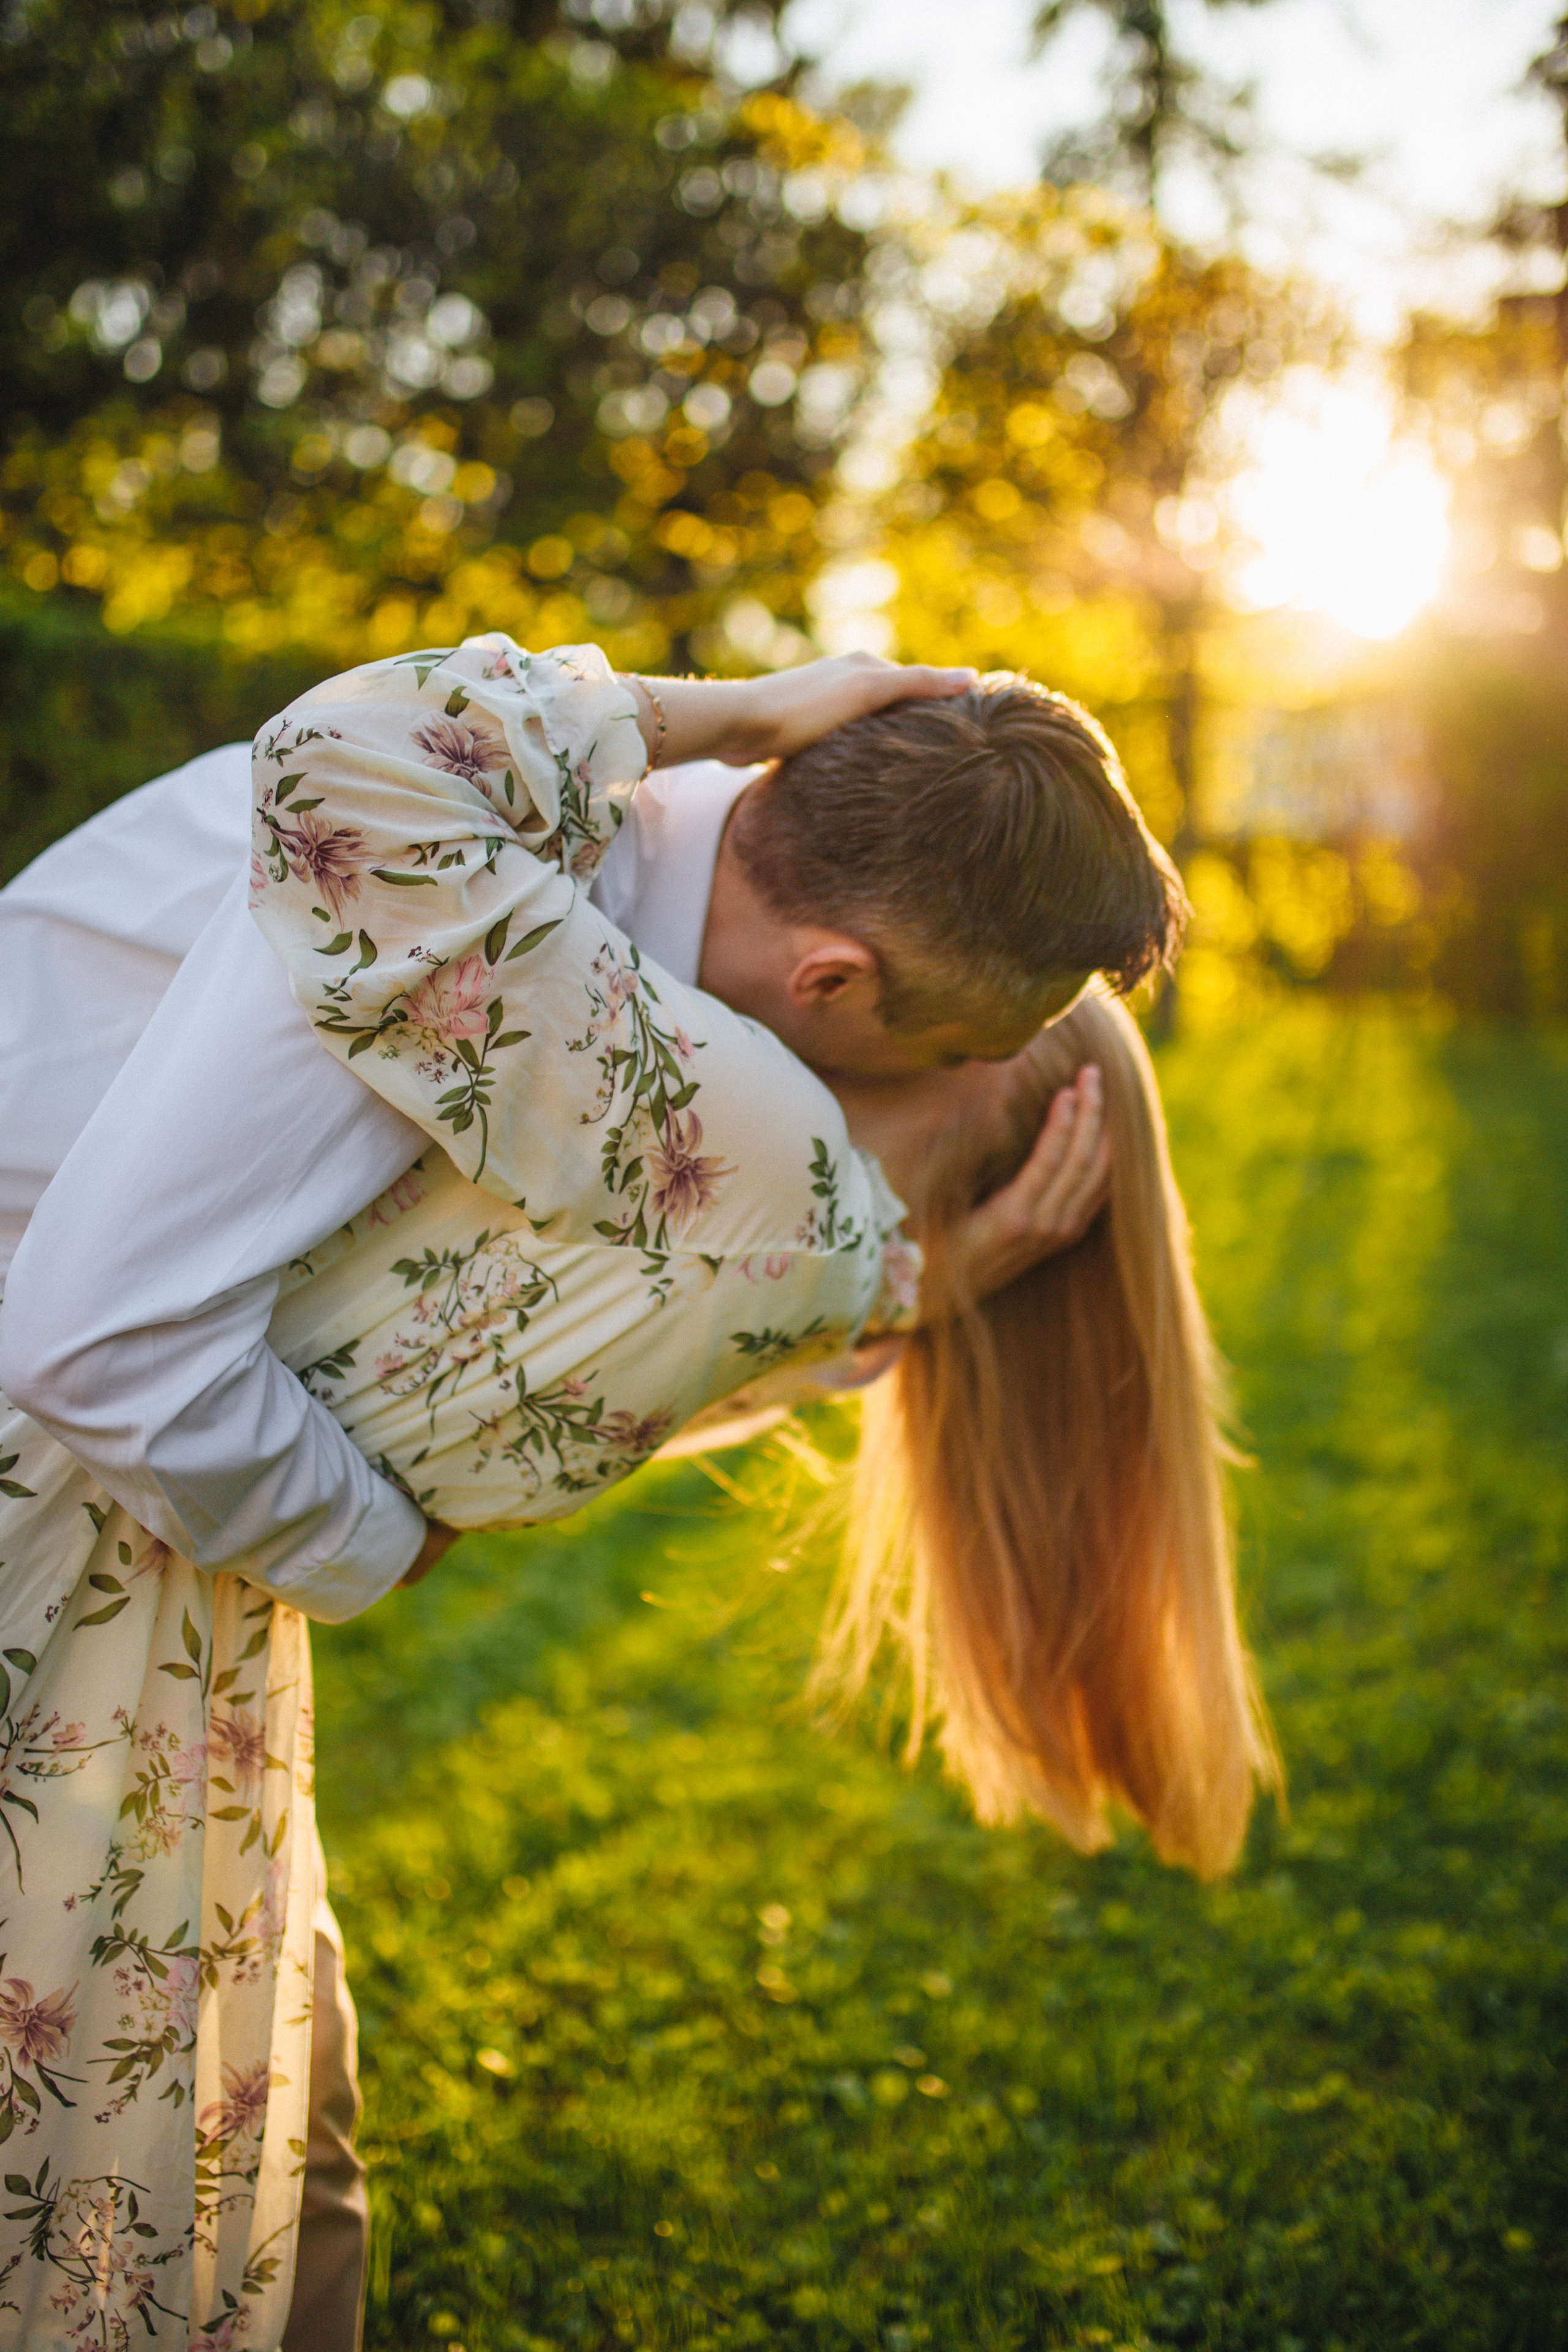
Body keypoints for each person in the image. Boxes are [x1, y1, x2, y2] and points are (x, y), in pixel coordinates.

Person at [0, 642, 1208, 2349]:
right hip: (53, 1523)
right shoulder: (482, 906)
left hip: (140, 1553)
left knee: (287, 2148)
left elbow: (533, 1340)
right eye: (955, 1052)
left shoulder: (592, 886)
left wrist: (890, 1291)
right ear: (837, 981)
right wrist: (382, 1544)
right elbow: (101, 1341)